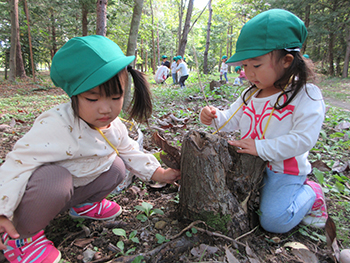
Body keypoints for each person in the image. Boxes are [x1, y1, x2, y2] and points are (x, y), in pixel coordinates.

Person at [0, 35, 181, 263]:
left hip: (74, 189)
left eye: (116, 97)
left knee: (117, 166)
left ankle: (85, 205)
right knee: (55, 179)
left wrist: (160, 173)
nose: (105, 109)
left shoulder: (114, 126)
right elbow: (18, 162)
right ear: (74, 95)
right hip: (40, 195)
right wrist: (3, 208)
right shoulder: (55, 125)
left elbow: (131, 152)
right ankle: (22, 239)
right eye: (92, 99)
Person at [200, 9, 327, 234]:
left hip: (283, 170)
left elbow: (303, 139)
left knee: (273, 221)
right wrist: (213, 117)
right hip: (249, 167)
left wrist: (261, 147)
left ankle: (313, 193)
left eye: (256, 65)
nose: (248, 73)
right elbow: (229, 121)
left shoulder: (305, 95)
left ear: (287, 60)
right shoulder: (250, 95)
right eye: (244, 66)